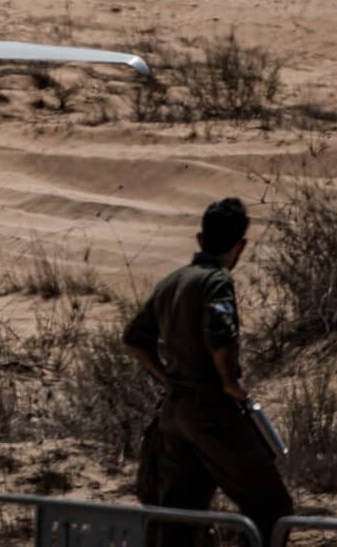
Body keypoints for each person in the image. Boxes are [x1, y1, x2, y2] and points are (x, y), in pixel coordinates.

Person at [123, 198, 293, 544]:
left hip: (173, 413)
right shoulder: (217, 282)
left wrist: (165, 378)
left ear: (200, 239)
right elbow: (220, 334)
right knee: (273, 508)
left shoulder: (171, 281)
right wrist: (230, 383)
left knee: (180, 517)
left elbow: (133, 339)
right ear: (240, 246)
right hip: (211, 411)